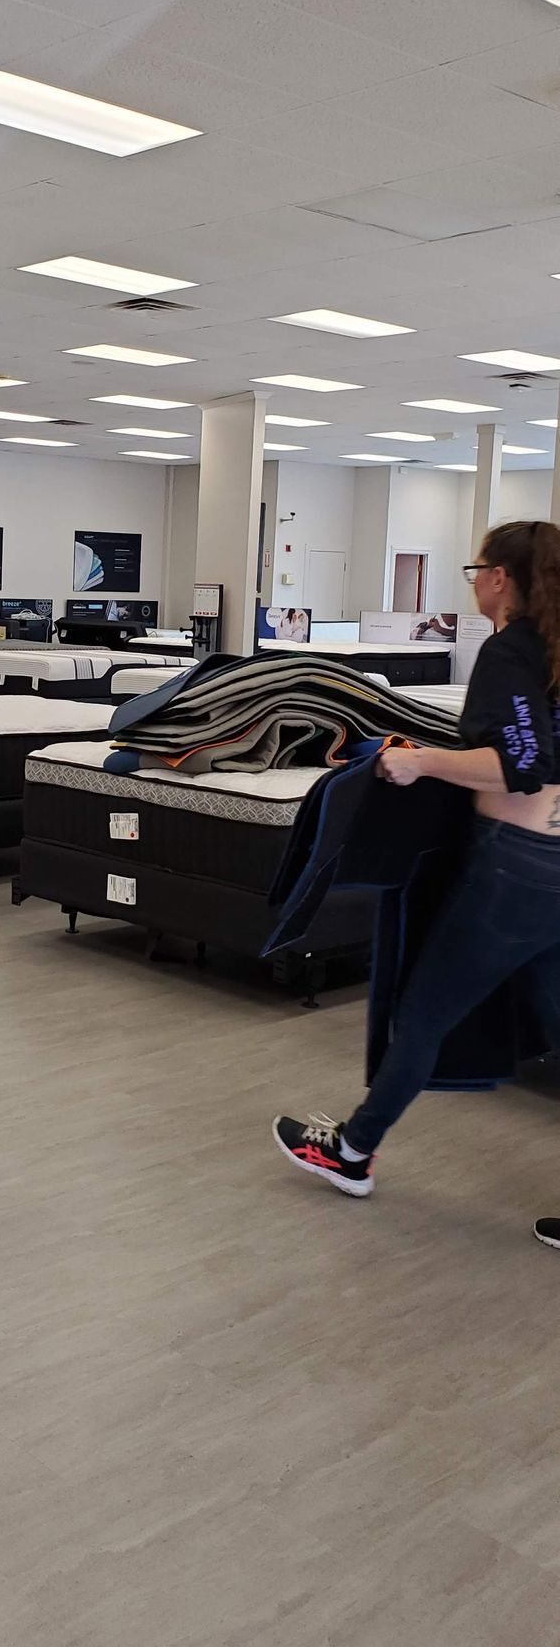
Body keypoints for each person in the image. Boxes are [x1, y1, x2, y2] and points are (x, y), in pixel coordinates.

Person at [273, 521, 560, 1246]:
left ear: (500, 578)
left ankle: (350, 1151)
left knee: (426, 1011)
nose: (474, 580)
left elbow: (518, 766)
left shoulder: (510, 651)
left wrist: (421, 762)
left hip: (518, 869)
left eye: (477, 568)